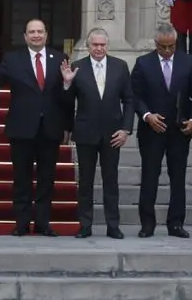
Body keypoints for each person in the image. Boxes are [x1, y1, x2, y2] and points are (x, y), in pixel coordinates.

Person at [0, 19, 72, 237]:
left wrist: (67, 85)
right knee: (21, 179)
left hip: (50, 128)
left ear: (47, 35)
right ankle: (21, 223)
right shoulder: (13, 59)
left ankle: (42, 223)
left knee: (46, 179)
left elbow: (65, 98)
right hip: (22, 128)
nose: (36, 35)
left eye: (40, 31)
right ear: (25, 36)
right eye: (32, 32)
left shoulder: (60, 58)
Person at [130, 23, 192, 238]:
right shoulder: (143, 63)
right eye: (162, 47)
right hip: (151, 131)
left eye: (171, 46)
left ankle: (176, 223)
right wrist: (147, 116)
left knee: (178, 178)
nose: (167, 51)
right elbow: (135, 96)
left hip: (179, 131)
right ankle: (147, 224)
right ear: (156, 44)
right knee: (150, 177)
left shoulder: (188, 62)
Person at [61, 28, 133, 239]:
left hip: (113, 133)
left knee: (111, 180)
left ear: (107, 46)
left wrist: (126, 128)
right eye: (95, 45)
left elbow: (129, 99)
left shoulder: (120, 66)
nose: (99, 48)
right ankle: (85, 224)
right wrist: (66, 83)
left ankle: (113, 225)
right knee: (85, 181)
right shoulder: (77, 67)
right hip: (85, 133)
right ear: (88, 46)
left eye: (102, 45)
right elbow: (66, 103)